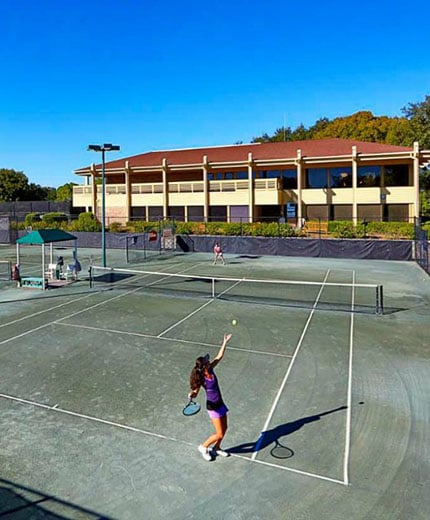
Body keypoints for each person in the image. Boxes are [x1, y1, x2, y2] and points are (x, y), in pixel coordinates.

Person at [188, 333, 232, 461]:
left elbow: (220, 356)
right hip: (212, 407)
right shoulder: (201, 379)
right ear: (204, 366)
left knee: (224, 429)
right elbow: (195, 392)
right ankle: (203, 446)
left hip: (220, 403)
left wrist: (224, 342)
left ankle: (217, 447)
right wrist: (192, 394)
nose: (209, 361)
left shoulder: (211, 369)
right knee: (218, 433)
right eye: (207, 361)